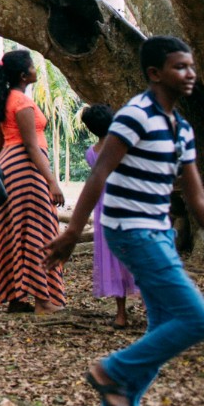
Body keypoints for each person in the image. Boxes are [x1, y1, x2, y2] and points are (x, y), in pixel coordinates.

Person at [51, 37, 204, 406]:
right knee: (201, 321)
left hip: (159, 232)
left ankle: (121, 398)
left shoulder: (181, 129)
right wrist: (72, 231)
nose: (189, 74)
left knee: (163, 327)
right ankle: (111, 370)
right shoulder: (135, 114)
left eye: (191, 66)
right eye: (179, 67)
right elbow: (99, 173)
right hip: (131, 231)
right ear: (155, 73)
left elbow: (197, 196)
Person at [0, 50, 64, 312]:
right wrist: (52, 181)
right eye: (32, 66)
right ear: (23, 75)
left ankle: (17, 298)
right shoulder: (23, 104)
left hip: (8, 170)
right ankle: (43, 300)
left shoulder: (4, 99)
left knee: (15, 231)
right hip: (27, 171)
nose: (35, 69)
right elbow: (31, 146)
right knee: (38, 231)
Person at [78, 104, 137, 328]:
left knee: (114, 261)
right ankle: (155, 309)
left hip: (105, 212)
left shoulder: (91, 153)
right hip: (129, 207)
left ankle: (121, 315)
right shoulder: (124, 148)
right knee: (139, 256)